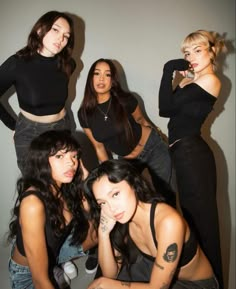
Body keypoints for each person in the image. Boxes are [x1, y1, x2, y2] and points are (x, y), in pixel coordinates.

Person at [158, 29, 227, 288]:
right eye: (187, 52)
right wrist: (171, 74)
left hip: (193, 154)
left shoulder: (211, 80)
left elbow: (169, 109)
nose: (192, 56)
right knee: (190, 220)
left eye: (198, 50)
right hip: (180, 153)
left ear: (211, 52)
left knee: (202, 223)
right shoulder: (189, 81)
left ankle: (213, 282)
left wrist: (170, 72)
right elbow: (165, 108)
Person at [83, 159, 219, 289]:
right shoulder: (122, 216)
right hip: (153, 269)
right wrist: (103, 233)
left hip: (192, 285)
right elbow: (110, 274)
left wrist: (105, 283)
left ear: (133, 183)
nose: (111, 208)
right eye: (103, 203)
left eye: (115, 194)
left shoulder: (168, 222)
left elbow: (158, 287)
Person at [78, 58, 176, 205]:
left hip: (153, 147)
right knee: (134, 201)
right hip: (128, 161)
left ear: (113, 80)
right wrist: (110, 173)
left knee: (166, 197)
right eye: (97, 74)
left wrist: (160, 137)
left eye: (107, 74)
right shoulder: (85, 114)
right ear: (91, 78)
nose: (101, 79)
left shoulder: (125, 99)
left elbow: (141, 120)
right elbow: (99, 147)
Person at [7, 130, 97, 289]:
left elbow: (93, 229)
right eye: (60, 156)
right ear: (42, 161)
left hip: (54, 253)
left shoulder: (66, 187)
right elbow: (40, 280)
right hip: (28, 274)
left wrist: (84, 187)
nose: (71, 163)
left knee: (97, 233)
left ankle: (56, 269)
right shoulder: (32, 203)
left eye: (74, 156)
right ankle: (55, 271)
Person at [0, 11, 76, 173]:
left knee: (66, 184)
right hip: (29, 134)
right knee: (35, 187)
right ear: (40, 29)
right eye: (56, 30)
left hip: (62, 128)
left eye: (66, 36)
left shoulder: (68, 65)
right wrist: (14, 126)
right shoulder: (17, 64)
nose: (61, 39)